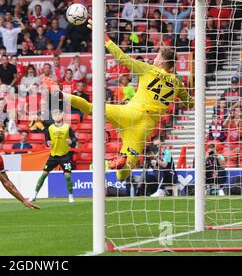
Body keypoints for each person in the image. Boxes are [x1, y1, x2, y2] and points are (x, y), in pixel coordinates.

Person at [60, 19, 194, 181]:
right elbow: (190, 104)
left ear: (160, 62)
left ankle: (61, 94)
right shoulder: (178, 84)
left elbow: (122, 58)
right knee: (122, 175)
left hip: (129, 113)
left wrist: (104, 37)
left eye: (156, 57)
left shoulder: (149, 69)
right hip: (143, 129)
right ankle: (123, 162)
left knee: (91, 108)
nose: (153, 60)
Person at [30, 109, 77, 203]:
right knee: (44, 174)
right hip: (53, 156)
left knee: (67, 176)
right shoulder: (50, 127)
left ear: (62, 115)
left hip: (64, 156)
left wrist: (71, 141)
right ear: (53, 116)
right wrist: (48, 143)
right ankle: (34, 195)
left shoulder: (67, 127)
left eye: (59, 114)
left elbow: (74, 138)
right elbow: (47, 140)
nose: (57, 116)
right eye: (55, 114)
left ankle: (71, 196)